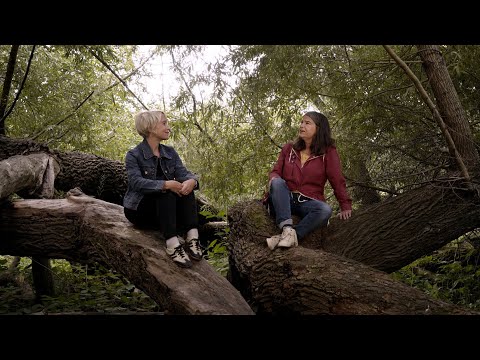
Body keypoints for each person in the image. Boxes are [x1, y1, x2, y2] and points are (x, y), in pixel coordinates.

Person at [123, 110, 203, 268]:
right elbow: (136, 182)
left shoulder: (170, 153)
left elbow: (183, 173)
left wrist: (192, 181)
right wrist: (166, 185)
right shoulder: (134, 155)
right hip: (139, 211)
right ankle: (172, 245)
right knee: (166, 191)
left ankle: (193, 238)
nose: (168, 127)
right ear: (151, 127)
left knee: (185, 188)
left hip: (164, 213)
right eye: (164, 123)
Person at [265, 111, 352, 250]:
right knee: (277, 182)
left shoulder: (328, 152)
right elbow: (276, 171)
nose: (301, 126)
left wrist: (345, 205)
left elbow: (337, 179)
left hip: (307, 202)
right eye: (301, 122)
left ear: (318, 128)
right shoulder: (289, 148)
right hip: (283, 200)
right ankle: (287, 228)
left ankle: (290, 236)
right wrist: (273, 178)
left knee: (325, 210)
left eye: (307, 123)